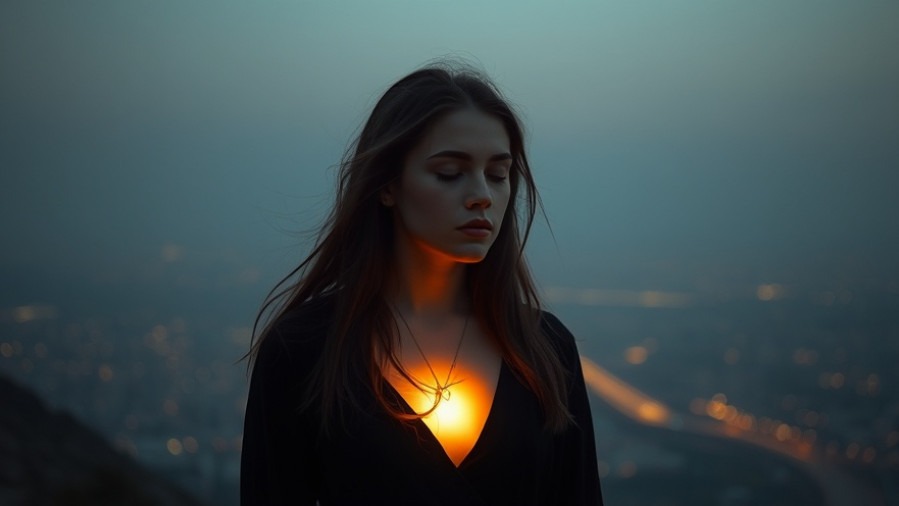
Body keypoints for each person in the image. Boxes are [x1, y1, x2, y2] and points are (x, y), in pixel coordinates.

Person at [241, 61, 604, 505]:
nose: (482, 195)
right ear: (388, 185)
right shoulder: (304, 350)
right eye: (449, 173)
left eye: (498, 174)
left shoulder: (546, 349)